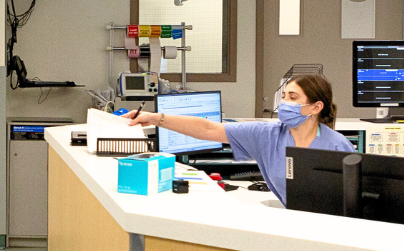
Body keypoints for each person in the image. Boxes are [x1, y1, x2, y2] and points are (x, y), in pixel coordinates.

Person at [126, 73, 354, 204]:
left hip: (333, 230)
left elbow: (354, 201)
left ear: (316, 107)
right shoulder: (267, 136)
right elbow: (207, 129)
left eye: (293, 98)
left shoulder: (337, 145)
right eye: (283, 97)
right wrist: (156, 118)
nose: (284, 103)